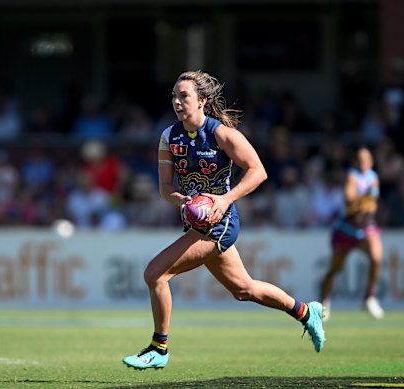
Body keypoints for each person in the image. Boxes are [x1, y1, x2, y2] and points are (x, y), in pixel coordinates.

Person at [122, 70, 325, 370]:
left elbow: (258, 171)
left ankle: (159, 349)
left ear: (202, 100)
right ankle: (307, 312)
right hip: (197, 223)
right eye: (174, 96)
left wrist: (224, 199)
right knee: (245, 290)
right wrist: (182, 201)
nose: (177, 101)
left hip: (221, 224)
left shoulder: (221, 134)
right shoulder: (169, 137)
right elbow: (166, 189)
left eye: (184, 96)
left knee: (155, 274)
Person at [320, 146, 384, 322]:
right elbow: (349, 199)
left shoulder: (373, 177)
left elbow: (374, 203)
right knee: (335, 269)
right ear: (356, 162)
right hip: (346, 229)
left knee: (376, 257)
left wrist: (369, 206)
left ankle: (369, 296)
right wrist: (365, 201)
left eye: (367, 159)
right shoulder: (352, 176)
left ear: (371, 161)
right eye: (360, 159)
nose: (364, 162)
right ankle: (324, 300)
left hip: (365, 227)